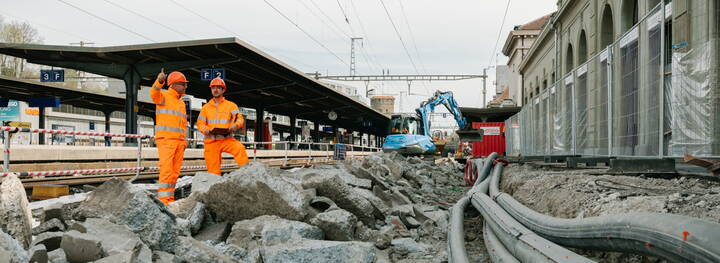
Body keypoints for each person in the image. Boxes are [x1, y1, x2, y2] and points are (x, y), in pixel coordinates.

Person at [150, 68, 188, 205]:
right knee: (166, 171)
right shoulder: (163, 96)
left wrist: (184, 141)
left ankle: (169, 199)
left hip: (179, 142)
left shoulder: (181, 103)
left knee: (174, 173)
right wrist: (159, 81)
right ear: (173, 84)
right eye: (183, 84)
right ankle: (163, 201)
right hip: (166, 141)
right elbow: (153, 93)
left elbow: (183, 124)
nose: (185, 86)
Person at [196, 77, 249, 175]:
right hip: (211, 142)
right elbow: (200, 123)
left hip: (226, 139)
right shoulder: (205, 108)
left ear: (223, 90)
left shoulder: (231, 105)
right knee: (213, 172)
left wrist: (235, 126)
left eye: (218, 87)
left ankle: (248, 174)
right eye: (213, 88)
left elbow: (239, 119)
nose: (215, 90)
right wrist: (205, 129)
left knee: (240, 148)